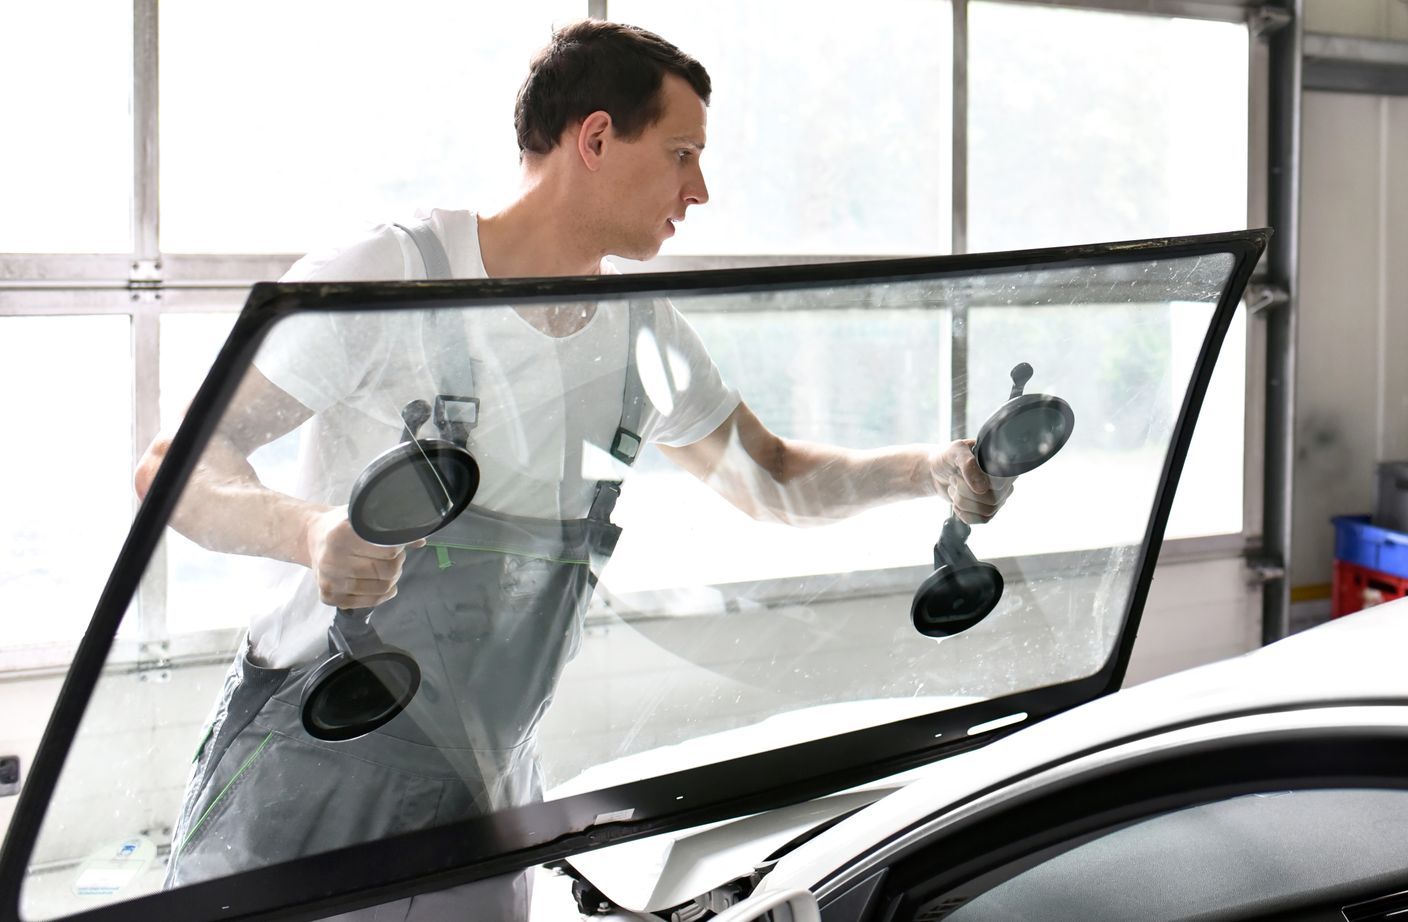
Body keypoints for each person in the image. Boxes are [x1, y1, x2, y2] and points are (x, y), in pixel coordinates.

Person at [135, 20, 1009, 921]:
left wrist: (930, 470)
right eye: (681, 154)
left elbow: (771, 477)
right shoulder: (392, 275)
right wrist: (311, 531)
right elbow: (178, 465)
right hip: (317, 761)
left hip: (487, 781)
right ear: (595, 139)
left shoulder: (641, 332)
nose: (699, 189)